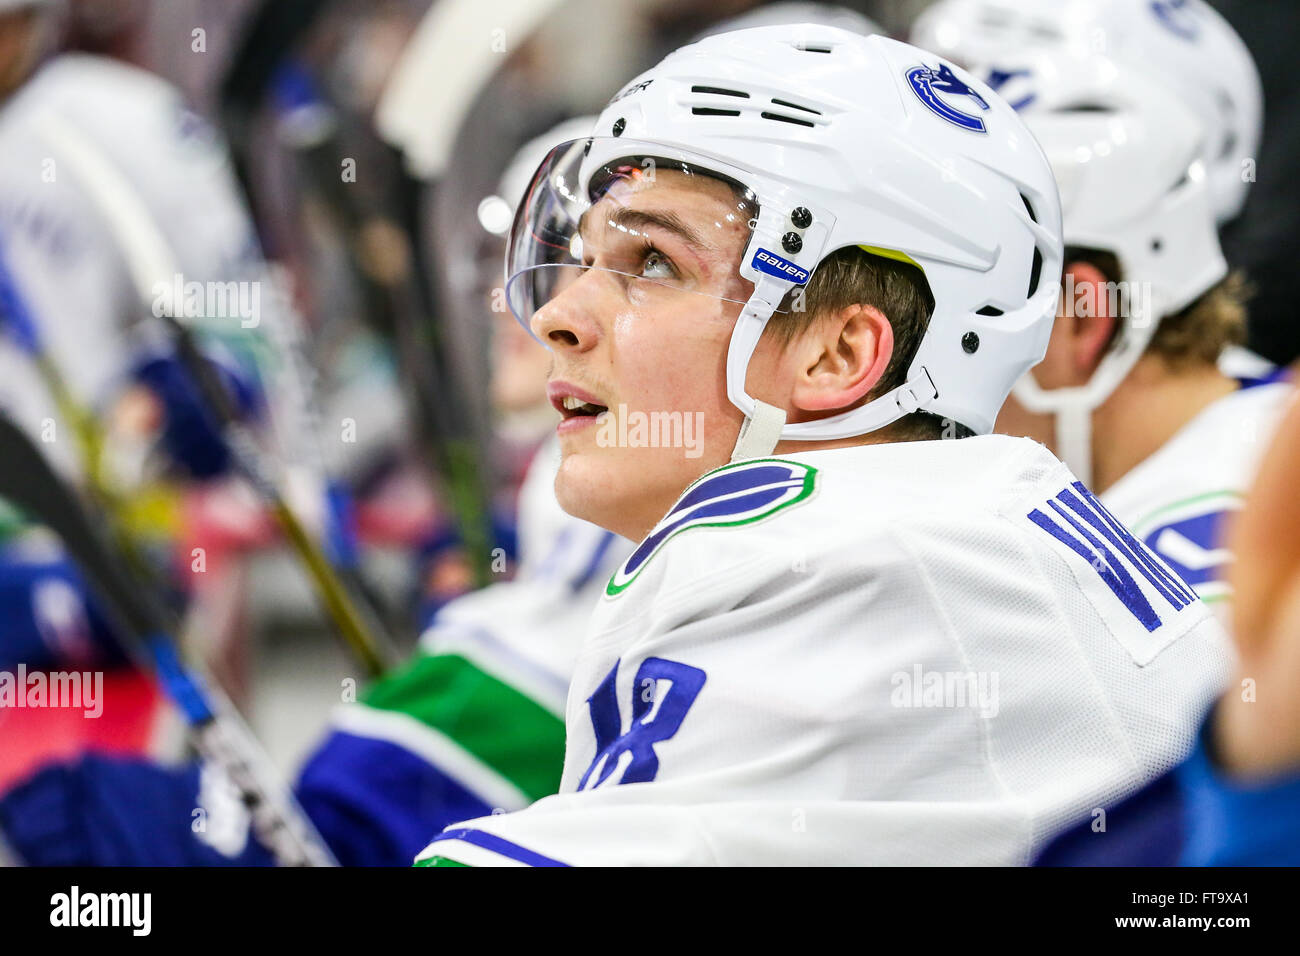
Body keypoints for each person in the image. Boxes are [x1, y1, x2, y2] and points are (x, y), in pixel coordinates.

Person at [413, 25, 1228, 867]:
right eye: (585, 258)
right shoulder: (964, 521)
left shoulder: (830, 553)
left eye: (652, 262)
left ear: (840, 355)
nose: (557, 316)